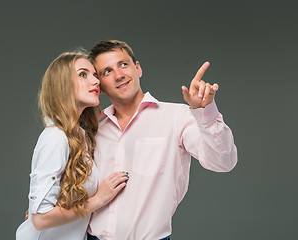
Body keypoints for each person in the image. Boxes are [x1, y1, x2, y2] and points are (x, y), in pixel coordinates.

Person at [86, 40, 238, 240]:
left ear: (138, 68)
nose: (119, 75)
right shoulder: (93, 130)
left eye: (123, 64)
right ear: (101, 86)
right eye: (107, 71)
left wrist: (204, 111)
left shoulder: (178, 117)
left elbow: (223, 162)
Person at [16, 50, 129, 240]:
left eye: (95, 75)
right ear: (63, 84)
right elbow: (40, 220)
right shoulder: (55, 138)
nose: (96, 81)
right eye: (83, 74)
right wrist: (98, 200)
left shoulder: (81, 137)